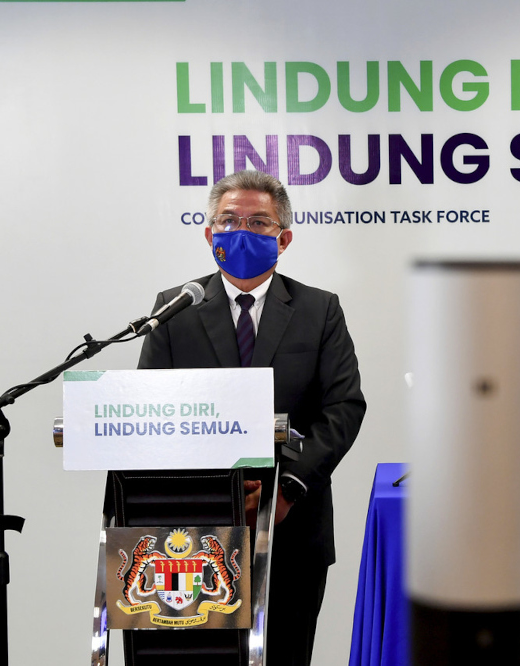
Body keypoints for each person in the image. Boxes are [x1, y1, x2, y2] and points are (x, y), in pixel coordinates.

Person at [138, 169, 366, 665]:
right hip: (188, 536)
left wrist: (286, 490)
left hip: (290, 529)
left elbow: (343, 408)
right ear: (208, 233)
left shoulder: (319, 310)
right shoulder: (172, 310)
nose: (241, 232)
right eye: (228, 220)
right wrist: (206, 494)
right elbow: (149, 413)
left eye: (259, 223)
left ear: (283, 238)